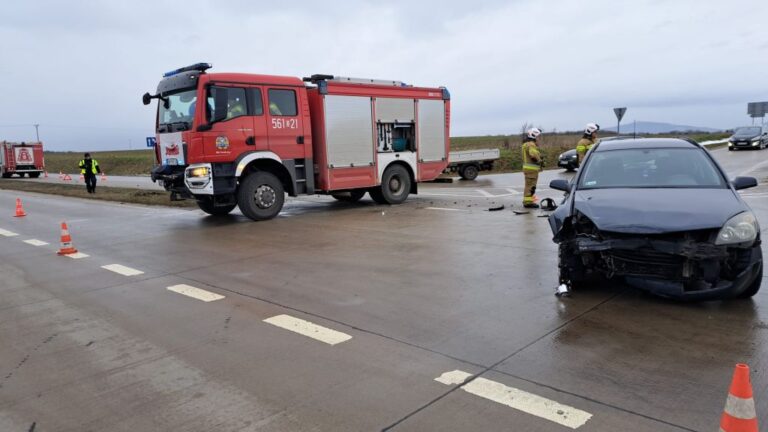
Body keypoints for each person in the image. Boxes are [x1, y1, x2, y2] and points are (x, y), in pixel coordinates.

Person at [522, 128, 543, 208]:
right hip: (531, 170)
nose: (539, 138)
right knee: (531, 186)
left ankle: (528, 201)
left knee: (528, 186)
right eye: (538, 136)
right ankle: (528, 202)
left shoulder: (526, 144)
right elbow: (533, 154)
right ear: (534, 135)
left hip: (528, 170)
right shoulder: (531, 144)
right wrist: (539, 160)